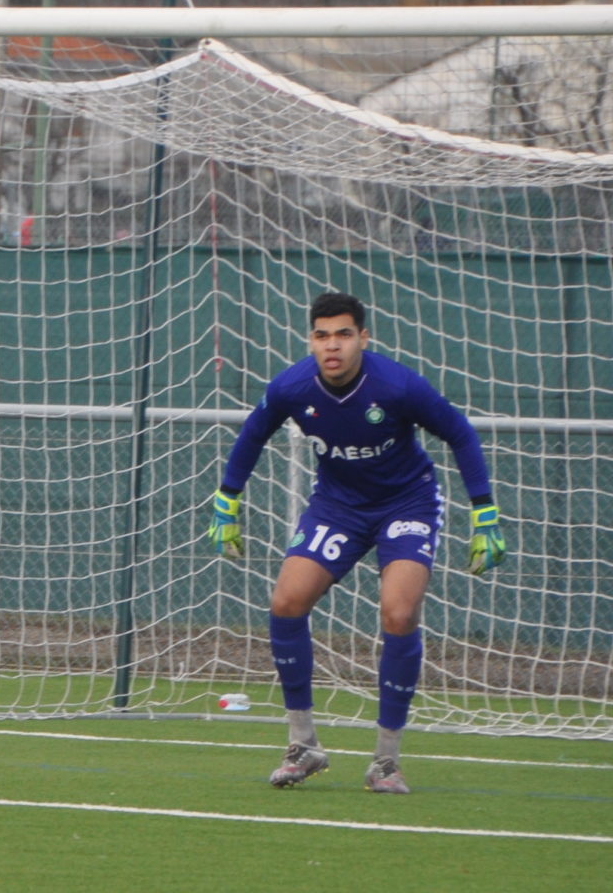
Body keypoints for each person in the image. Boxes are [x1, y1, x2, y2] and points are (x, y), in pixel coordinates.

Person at [206, 290, 506, 793]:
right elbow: (252, 435)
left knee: (398, 612)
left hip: (406, 504)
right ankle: (302, 745)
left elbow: (460, 433)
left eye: (344, 334)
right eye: (322, 335)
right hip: (338, 506)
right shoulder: (291, 388)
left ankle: (385, 761)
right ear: (311, 341)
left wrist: (485, 513)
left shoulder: (397, 386)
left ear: (363, 337)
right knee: (286, 600)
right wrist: (226, 501)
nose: (333, 346)